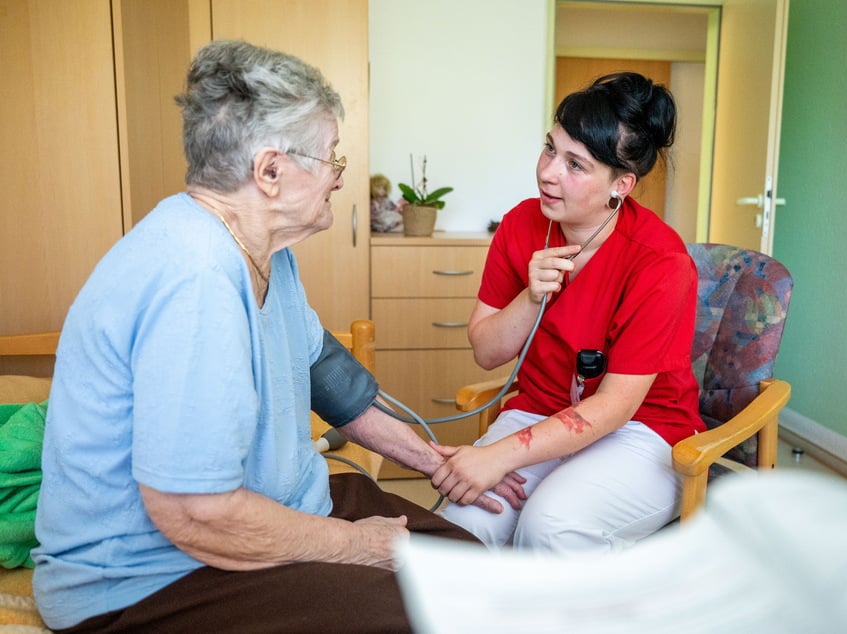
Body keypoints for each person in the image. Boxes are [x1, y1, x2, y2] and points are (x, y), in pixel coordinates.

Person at [31, 40, 523, 633]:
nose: (339, 178)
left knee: (471, 569)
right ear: (270, 172)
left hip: (274, 511)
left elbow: (322, 373)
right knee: (438, 612)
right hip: (151, 579)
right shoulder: (195, 277)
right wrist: (354, 546)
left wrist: (436, 461)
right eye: (331, 157)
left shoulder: (265, 251)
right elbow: (196, 513)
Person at [434, 72, 706, 551]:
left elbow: (614, 406)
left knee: (549, 525)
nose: (548, 172)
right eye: (550, 149)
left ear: (620, 184)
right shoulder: (521, 223)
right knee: (462, 525)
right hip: (539, 409)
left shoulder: (660, 262)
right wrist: (530, 297)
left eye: (575, 165)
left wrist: (498, 456)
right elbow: (485, 352)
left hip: (642, 430)